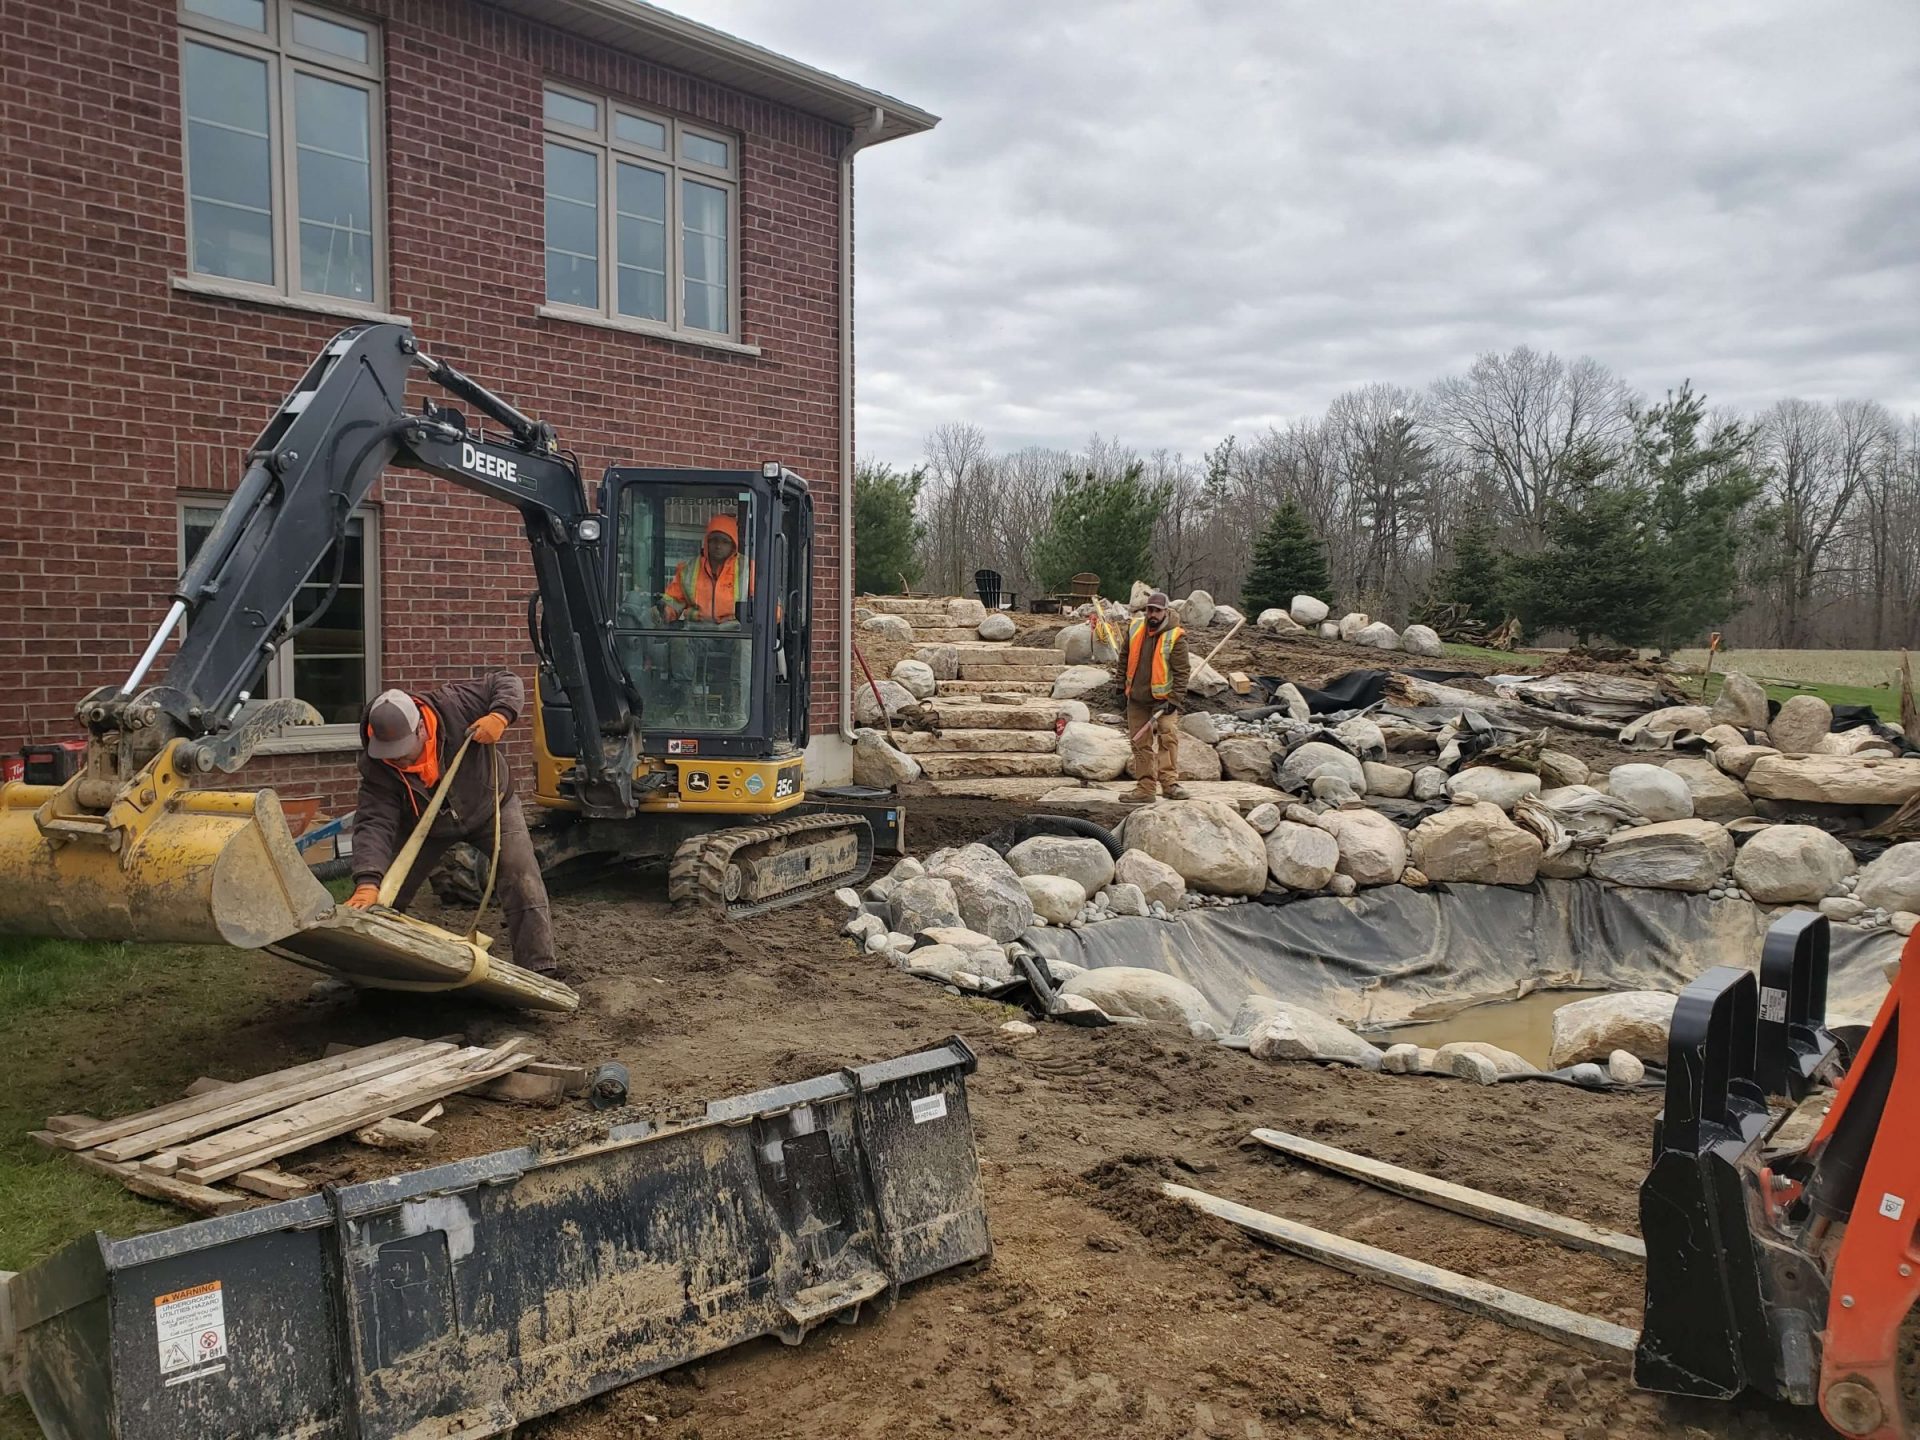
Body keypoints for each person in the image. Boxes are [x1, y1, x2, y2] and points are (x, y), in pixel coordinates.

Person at [345, 672, 561, 977]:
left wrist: (500, 715)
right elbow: (373, 823)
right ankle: (366, 973)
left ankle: (540, 969)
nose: (401, 763)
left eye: (404, 753)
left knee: (521, 875)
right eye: (392, 755)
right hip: (425, 826)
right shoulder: (376, 766)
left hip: (491, 805)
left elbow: (507, 680)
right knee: (386, 899)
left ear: (421, 727)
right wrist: (368, 881)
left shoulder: (455, 704)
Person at [1119, 591, 1192, 804]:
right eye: (1149, 609)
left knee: (1168, 738)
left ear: (1165, 612)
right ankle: (1145, 788)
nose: (1152, 614)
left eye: (1157, 611)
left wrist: (1175, 700)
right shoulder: (1135, 629)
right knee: (1140, 743)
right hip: (1137, 698)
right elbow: (1124, 658)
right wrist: (1118, 686)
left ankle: (1169, 784)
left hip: (1164, 700)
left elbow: (1182, 672)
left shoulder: (1176, 636)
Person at [662, 513, 750, 623]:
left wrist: (774, 615)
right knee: (677, 641)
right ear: (707, 542)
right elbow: (674, 601)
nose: (718, 546)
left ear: (733, 545)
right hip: (697, 631)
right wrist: (664, 612)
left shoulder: (748, 569)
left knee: (746, 641)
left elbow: (767, 604)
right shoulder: (688, 569)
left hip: (735, 632)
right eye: (714, 540)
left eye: (725, 541)